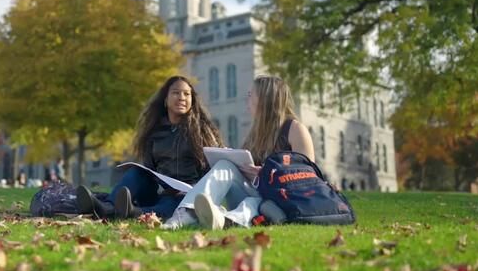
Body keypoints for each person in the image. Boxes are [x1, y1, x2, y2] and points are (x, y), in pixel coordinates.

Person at [163, 75, 314, 230]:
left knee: (253, 203)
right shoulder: (255, 133)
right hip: (258, 194)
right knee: (225, 165)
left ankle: (223, 219)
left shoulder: (295, 130)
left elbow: (307, 178)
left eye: (250, 95)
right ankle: (186, 214)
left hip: (281, 202)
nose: (246, 100)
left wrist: (267, 173)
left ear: (265, 99)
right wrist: (236, 162)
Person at [76, 76, 223, 219]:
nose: (182, 97)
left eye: (186, 94)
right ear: (165, 99)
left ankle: (133, 213)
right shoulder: (155, 132)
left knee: (172, 204)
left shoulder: (203, 131)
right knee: (137, 173)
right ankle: (108, 207)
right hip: (162, 193)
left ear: (192, 100)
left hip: (188, 196)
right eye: (176, 93)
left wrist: (193, 188)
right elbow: (150, 171)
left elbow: (214, 171)